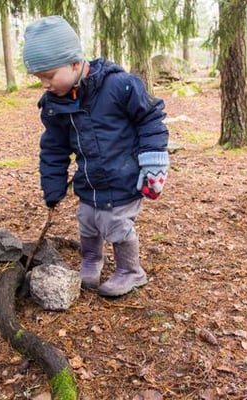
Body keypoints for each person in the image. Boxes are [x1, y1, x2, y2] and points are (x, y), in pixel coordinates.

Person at [23, 16, 170, 297]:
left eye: (49, 76)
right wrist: (52, 187)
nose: (45, 84)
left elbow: (151, 118)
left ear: (75, 63)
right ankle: (92, 259)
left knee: (116, 225)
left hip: (124, 179)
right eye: (39, 78)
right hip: (89, 182)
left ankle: (131, 271)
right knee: (88, 222)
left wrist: (154, 162)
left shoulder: (119, 86)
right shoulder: (55, 105)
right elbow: (53, 148)